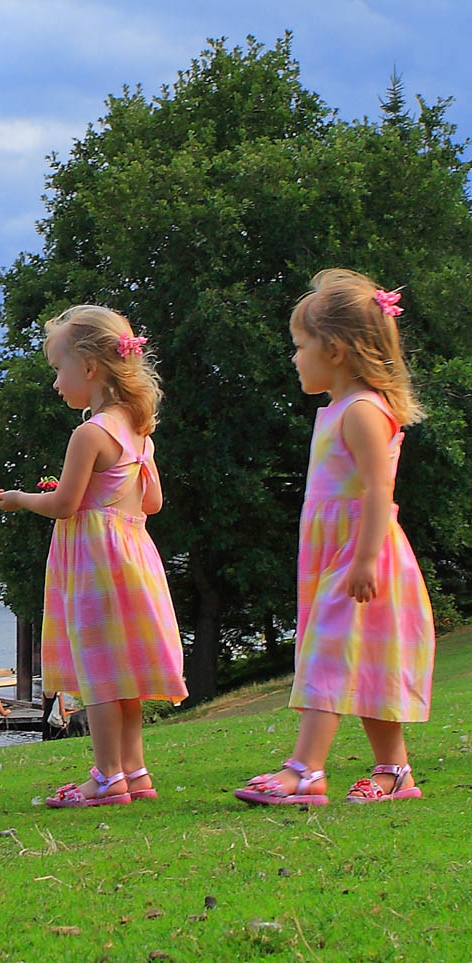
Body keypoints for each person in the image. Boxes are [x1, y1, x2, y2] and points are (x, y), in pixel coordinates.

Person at [235, 269, 435, 806]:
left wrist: (366, 558)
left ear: (337, 350)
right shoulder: (340, 411)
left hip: (360, 555)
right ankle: (395, 771)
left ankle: (305, 769)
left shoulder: (364, 412)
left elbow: (378, 492)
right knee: (362, 661)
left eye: (301, 347)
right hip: (337, 555)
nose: (295, 358)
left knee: (325, 656)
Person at [0, 305, 187, 806]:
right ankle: (135, 771)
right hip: (133, 557)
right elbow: (153, 503)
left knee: (100, 673)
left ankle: (105, 777)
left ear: (90, 368)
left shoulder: (90, 432)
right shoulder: (139, 430)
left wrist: (18, 499)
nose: (56, 383)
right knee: (125, 677)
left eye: (59, 370)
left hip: (95, 563)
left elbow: (63, 505)